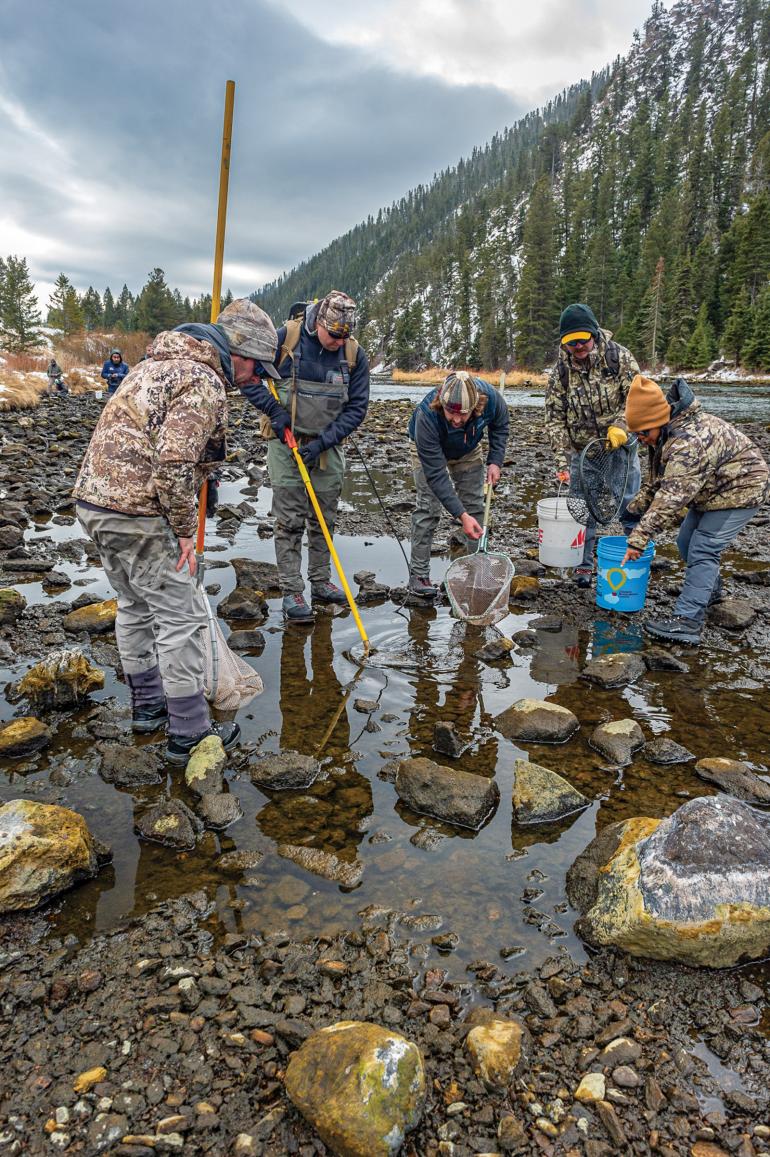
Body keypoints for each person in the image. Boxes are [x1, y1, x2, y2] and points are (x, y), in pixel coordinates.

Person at [73, 298, 280, 762]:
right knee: (181, 616)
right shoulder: (203, 379)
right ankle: (187, 731)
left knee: (133, 603)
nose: (257, 380)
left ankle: (147, 708)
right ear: (240, 352)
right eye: (258, 369)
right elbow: (173, 461)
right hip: (137, 512)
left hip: (95, 501)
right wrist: (186, 530)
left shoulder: (155, 365)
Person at [240, 291, 370, 622]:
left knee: (324, 520)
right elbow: (246, 375)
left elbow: (357, 408)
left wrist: (324, 442)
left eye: (344, 337)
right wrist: (273, 410)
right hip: (286, 446)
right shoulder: (286, 340)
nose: (339, 343)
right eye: (333, 336)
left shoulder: (354, 354)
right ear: (318, 323)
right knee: (289, 521)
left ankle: (321, 580)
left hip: (327, 448)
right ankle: (292, 591)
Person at [621, 375, 770, 646]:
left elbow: (671, 498)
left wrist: (638, 539)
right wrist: (632, 509)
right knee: (685, 541)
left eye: (642, 433)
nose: (640, 439)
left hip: (743, 489)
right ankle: (709, 593)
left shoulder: (687, 443)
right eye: (636, 434)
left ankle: (688, 621)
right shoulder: (665, 434)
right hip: (713, 489)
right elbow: (659, 482)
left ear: (657, 421)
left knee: (703, 548)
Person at [544, 303, 641, 586]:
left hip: (619, 446)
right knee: (581, 506)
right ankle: (583, 565)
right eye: (570, 341)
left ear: (594, 334)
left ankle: (635, 554)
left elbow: (637, 399)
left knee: (629, 503)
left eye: (582, 339)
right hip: (582, 452)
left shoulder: (619, 358)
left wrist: (621, 426)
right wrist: (563, 463)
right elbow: (554, 419)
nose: (577, 346)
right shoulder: (561, 371)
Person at [407, 370, 509, 597]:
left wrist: (495, 461)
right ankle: (419, 575)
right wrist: (460, 516)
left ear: (476, 406)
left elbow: (501, 425)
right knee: (428, 508)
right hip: (429, 452)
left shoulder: (491, 399)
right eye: (450, 412)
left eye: (463, 414)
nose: (455, 419)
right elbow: (436, 476)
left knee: (475, 507)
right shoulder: (427, 415)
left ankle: (477, 571)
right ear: (440, 402)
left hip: (468, 449)